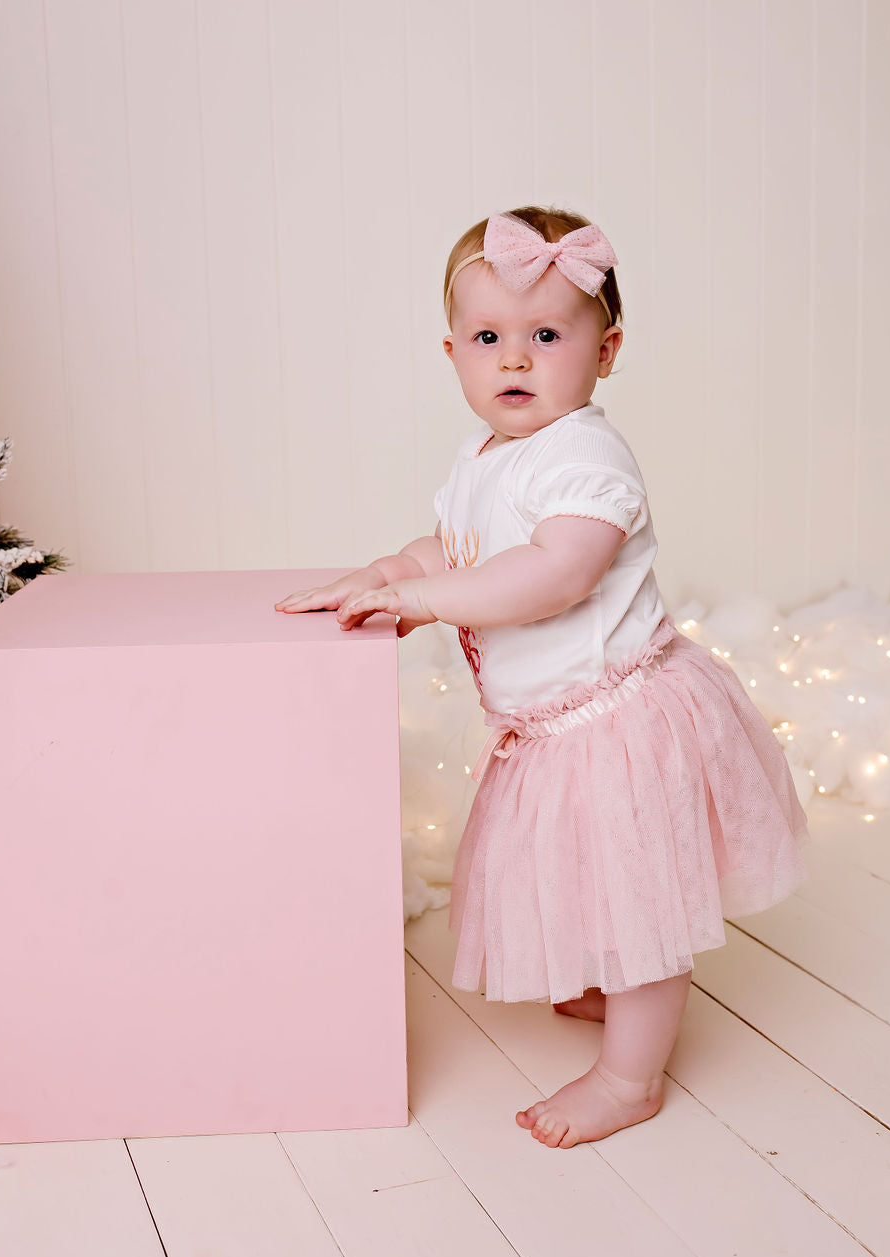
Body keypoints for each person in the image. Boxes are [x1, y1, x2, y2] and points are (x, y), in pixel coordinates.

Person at [275, 206, 809, 1149]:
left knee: (643, 902)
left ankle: (630, 1077)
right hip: (552, 728)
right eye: (490, 339)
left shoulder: (585, 457)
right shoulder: (486, 456)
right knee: (592, 874)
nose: (514, 361)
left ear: (604, 354)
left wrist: (435, 601)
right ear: (453, 354)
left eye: (546, 336)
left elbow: (556, 572)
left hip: (620, 721)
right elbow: (453, 543)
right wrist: (392, 576)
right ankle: (609, 991)